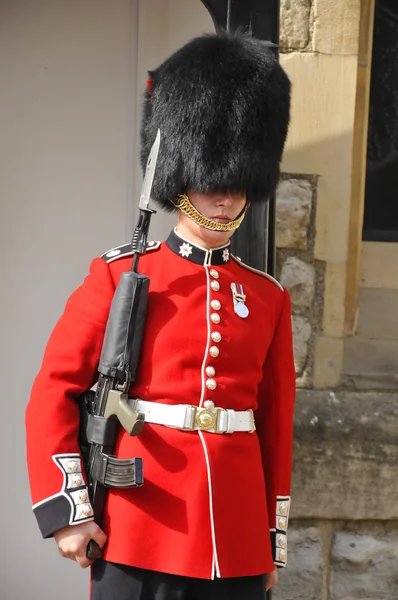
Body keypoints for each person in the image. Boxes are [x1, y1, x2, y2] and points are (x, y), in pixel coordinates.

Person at [26, 31, 295, 600]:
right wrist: (71, 510)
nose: (224, 197)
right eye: (210, 180)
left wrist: (269, 540)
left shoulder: (268, 297)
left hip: (237, 536)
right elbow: (54, 391)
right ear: (179, 176)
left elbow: (273, 423)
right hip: (141, 525)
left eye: (236, 183)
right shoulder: (120, 275)